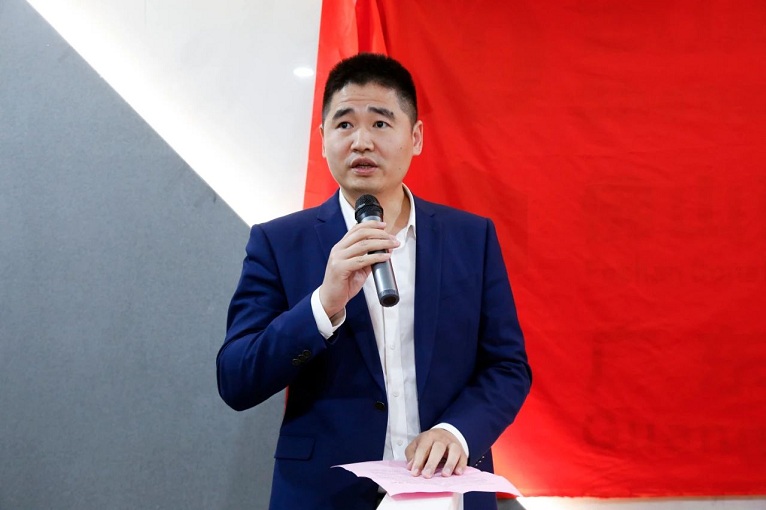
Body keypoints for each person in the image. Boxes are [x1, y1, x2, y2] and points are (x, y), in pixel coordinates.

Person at [216, 53, 531, 510]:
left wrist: (457, 432)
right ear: (323, 139)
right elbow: (236, 379)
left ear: (415, 137)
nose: (361, 141)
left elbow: (507, 366)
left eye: (381, 123)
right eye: (344, 124)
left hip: (445, 491)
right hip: (323, 496)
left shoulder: (471, 238)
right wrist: (322, 306)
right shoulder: (279, 242)